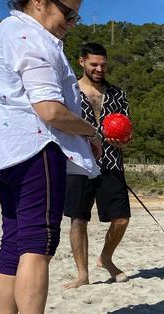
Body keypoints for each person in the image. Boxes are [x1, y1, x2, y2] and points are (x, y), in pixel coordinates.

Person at [0, 0, 101, 314]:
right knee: (37, 242)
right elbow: (49, 109)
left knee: (13, 239)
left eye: (77, 16)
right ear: (40, 1)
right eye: (68, 13)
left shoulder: (6, 32)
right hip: (33, 145)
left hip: (1, 148)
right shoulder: (32, 37)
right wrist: (92, 133)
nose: (72, 23)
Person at [63, 41, 133, 288]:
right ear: (82, 62)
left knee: (122, 218)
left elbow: (127, 131)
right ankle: (82, 274)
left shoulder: (118, 94)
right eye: (94, 64)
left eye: (103, 65)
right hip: (78, 162)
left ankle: (105, 258)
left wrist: (123, 141)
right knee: (78, 218)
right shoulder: (67, 91)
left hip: (111, 162)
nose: (99, 69)